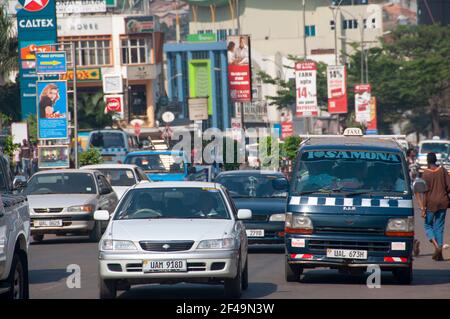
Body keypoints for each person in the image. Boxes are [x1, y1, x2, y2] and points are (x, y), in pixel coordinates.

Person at [420, 152, 450, 261]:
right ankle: (439, 252)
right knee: (439, 227)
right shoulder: (442, 170)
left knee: (428, 225)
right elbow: (449, 187)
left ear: (428, 161)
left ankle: (437, 246)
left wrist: (423, 208)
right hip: (443, 202)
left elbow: (423, 192)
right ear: (436, 160)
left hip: (430, 204)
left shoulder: (425, 174)